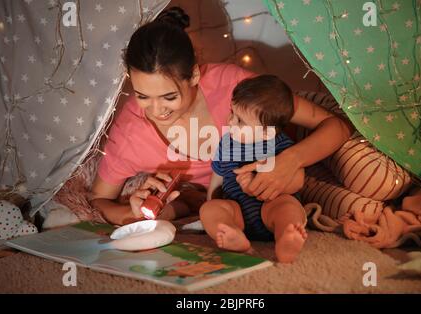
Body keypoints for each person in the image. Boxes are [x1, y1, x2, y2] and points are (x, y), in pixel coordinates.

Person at [89, 7, 353, 226]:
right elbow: (97, 201)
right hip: (258, 191)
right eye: (143, 96)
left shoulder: (230, 85)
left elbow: (336, 127)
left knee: (375, 177)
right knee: (358, 205)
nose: (156, 111)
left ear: (194, 75)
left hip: (292, 125)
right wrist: (131, 213)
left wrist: (290, 160)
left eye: (169, 97)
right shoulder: (131, 133)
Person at [200, 75, 308, 263]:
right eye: (231, 113)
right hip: (237, 212)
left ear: (267, 132)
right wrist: (212, 203)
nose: (231, 122)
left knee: (288, 207)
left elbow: (297, 181)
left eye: (240, 121)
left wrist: (258, 181)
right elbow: (217, 177)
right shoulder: (226, 144)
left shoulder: (280, 146)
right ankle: (232, 234)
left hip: (271, 208)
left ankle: (285, 237)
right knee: (209, 209)